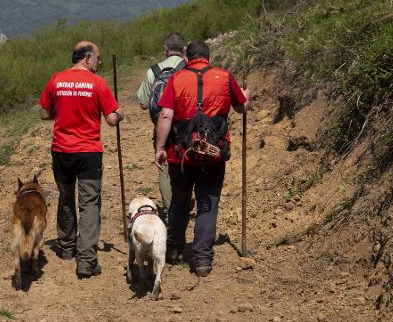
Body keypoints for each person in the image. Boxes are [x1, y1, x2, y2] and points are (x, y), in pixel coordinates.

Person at [154, 40, 251, 277]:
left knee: (179, 199)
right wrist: (246, 96)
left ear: (188, 58)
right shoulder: (225, 77)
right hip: (213, 155)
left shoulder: (176, 79)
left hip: (181, 155)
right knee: (208, 202)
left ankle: (175, 249)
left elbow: (166, 114)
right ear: (208, 57)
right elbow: (242, 107)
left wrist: (160, 147)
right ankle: (201, 259)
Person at [39, 41, 125, 278]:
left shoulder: (56, 79)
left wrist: (63, 110)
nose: (99, 62)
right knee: (89, 204)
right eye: (98, 58)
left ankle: (67, 248)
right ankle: (86, 260)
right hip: (88, 152)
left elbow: (44, 113)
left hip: (62, 151)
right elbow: (110, 120)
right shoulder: (98, 83)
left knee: (65, 197)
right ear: (87, 59)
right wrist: (120, 113)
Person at [135, 32, 186, 216]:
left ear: (165, 49)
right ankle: (185, 203)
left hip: (160, 126)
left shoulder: (153, 71)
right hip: (186, 127)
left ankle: (172, 210)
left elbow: (142, 103)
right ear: (184, 48)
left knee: (165, 168)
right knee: (187, 165)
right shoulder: (188, 68)